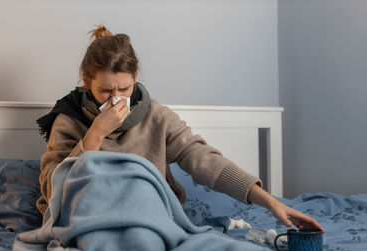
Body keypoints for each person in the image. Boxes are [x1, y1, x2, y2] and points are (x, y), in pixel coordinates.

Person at [36, 24, 325, 233]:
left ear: (135, 78)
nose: (115, 100)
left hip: (151, 218)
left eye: (124, 89)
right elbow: (54, 191)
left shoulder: (157, 116)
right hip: (92, 220)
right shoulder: (68, 119)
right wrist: (95, 134)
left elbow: (207, 162)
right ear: (87, 82)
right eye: (104, 91)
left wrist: (271, 203)